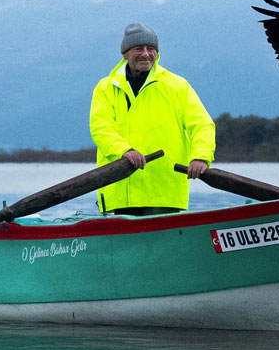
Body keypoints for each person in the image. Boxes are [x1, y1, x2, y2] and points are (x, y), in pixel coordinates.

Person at [90, 22, 216, 215]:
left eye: (151, 49)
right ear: (125, 53)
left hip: (165, 191)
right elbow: (101, 128)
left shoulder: (177, 86)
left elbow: (202, 125)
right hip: (119, 191)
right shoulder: (105, 87)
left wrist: (200, 156)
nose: (146, 54)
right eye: (138, 48)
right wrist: (124, 151)